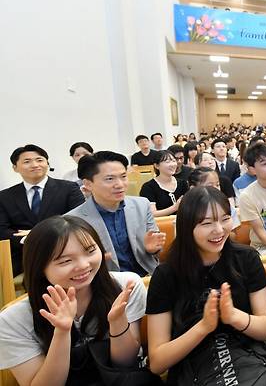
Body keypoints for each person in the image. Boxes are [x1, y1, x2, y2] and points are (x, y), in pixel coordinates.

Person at [146, 187, 266, 384]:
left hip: (248, 358)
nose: (219, 230)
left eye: (225, 219)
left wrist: (234, 317)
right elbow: (157, 362)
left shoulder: (246, 259)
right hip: (195, 367)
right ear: (187, 227)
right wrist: (204, 327)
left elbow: (265, 329)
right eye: (207, 223)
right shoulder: (166, 275)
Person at [0, 216, 147, 386]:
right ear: (39, 267)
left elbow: (125, 364)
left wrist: (117, 323)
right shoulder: (12, 320)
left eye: (91, 251)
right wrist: (62, 332)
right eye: (66, 261)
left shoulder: (125, 286)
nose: (84, 265)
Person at [67, 151, 164, 276]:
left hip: (147, 276)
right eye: (110, 179)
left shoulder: (141, 205)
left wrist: (152, 249)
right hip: (106, 283)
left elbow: (156, 247)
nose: (120, 184)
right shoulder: (74, 220)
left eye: (123, 177)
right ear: (88, 184)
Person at [0, 144, 85, 275]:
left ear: (47, 163)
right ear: (15, 168)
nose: (35, 165)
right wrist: (27, 240)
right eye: (27, 161)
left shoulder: (69, 188)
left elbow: (78, 220)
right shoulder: (5, 196)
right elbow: (2, 230)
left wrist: (36, 235)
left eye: (39, 160)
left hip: (64, 249)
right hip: (23, 254)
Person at [139, 150, 189, 217]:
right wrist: (174, 208)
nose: (172, 164)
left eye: (173, 161)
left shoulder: (182, 183)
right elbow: (152, 214)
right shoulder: (148, 187)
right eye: (167, 162)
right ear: (156, 166)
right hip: (160, 225)